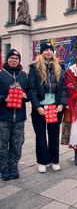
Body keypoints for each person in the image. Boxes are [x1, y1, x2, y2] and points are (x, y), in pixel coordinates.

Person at [28, 42, 67, 173]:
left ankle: (54, 160)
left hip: (54, 107)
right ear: (42, 52)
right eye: (46, 50)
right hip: (40, 108)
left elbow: (63, 88)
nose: (49, 52)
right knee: (40, 135)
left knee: (54, 134)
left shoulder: (60, 66)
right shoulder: (34, 67)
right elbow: (31, 88)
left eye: (50, 50)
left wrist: (61, 103)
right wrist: (37, 106)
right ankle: (42, 161)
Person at [0, 49, 28, 180]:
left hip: (19, 118)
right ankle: (4, 170)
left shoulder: (23, 75)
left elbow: (30, 93)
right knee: (2, 145)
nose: (14, 60)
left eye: (16, 58)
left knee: (17, 144)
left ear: (19, 61)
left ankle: (13, 167)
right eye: (11, 58)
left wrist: (25, 95)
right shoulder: (1, 74)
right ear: (7, 59)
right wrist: (3, 98)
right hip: (3, 117)